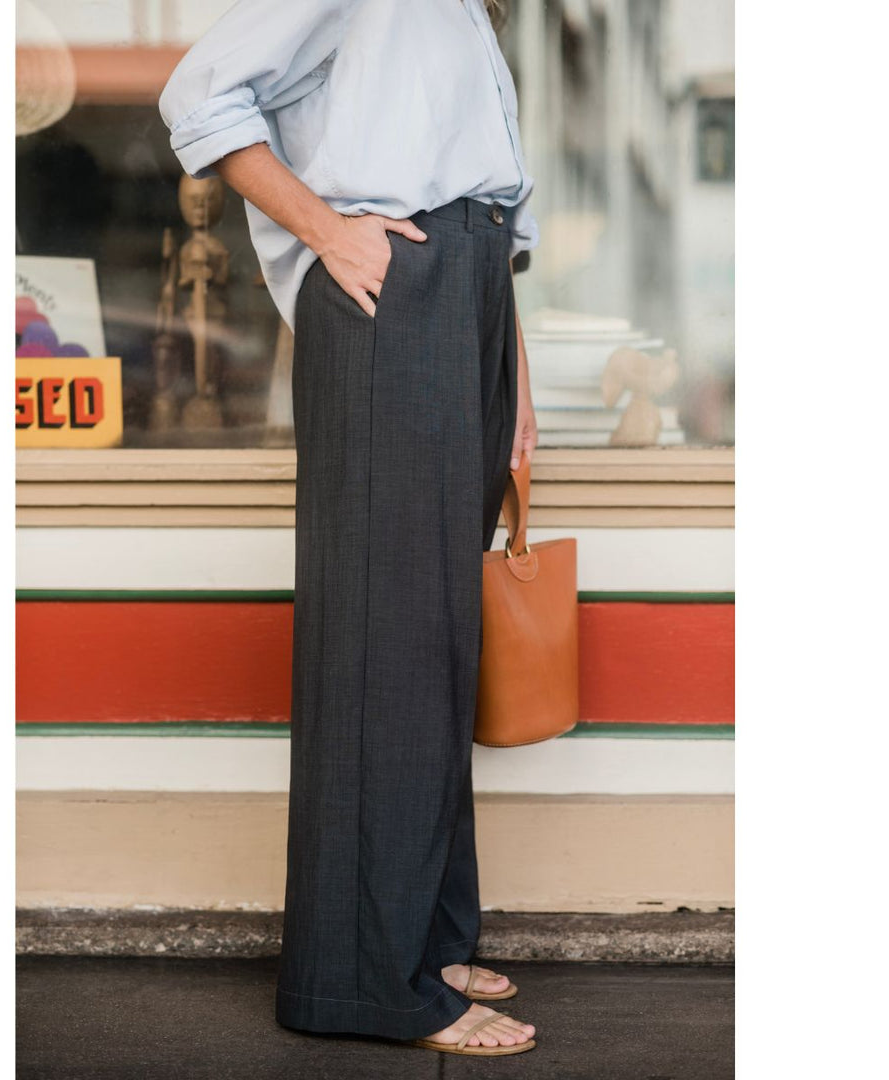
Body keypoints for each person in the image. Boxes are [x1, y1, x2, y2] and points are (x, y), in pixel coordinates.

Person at [159, 0, 540, 1058]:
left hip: (463, 292)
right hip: (394, 291)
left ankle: (426, 935)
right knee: (391, 639)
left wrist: (512, 380)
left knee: (436, 636)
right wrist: (326, 229)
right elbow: (199, 92)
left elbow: (491, 199)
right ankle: (369, 980)